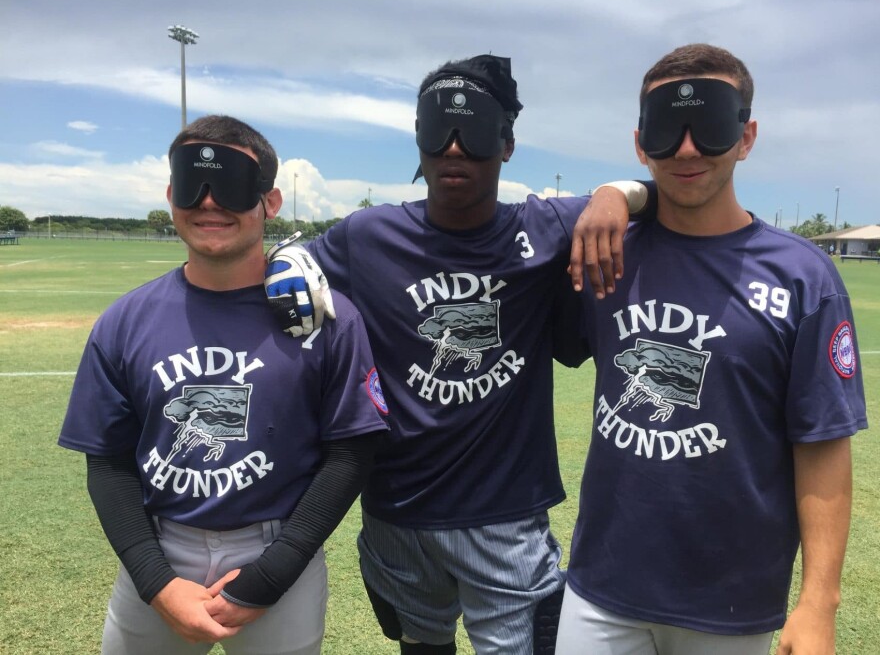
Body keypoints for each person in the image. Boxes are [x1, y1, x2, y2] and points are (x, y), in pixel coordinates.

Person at [266, 54, 653, 654]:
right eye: (436, 132)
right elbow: (296, 261)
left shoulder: (543, 226)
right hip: (395, 510)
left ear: (506, 146)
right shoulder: (369, 236)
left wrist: (613, 194)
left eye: (473, 133)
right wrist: (285, 260)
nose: (453, 149)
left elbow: (657, 193)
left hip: (503, 518)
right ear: (418, 142)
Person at [555, 43, 867, 655]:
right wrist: (612, 194)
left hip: (732, 600)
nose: (689, 148)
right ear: (642, 144)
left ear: (747, 136)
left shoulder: (803, 277)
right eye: (667, 131)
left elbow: (823, 442)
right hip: (602, 587)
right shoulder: (603, 248)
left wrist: (818, 602)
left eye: (712, 127)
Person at [58, 114, 389, 655]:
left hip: (280, 552)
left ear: (271, 202)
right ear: (171, 195)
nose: (209, 203)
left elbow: (350, 454)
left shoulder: (328, 320)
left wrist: (271, 576)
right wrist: (156, 581)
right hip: (161, 550)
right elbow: (108, 460)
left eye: (231, 186)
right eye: (193, 185)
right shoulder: (124, 321)